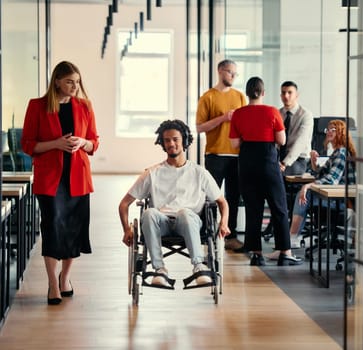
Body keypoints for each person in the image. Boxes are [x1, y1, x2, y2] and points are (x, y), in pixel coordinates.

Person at [21, 61, 99, 305]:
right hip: (50, 180)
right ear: (57, 81)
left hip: (78, 178)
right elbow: (27, 144)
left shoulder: (85, 106)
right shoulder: (37, 106)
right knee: (53, 229)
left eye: (77, 81)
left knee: (74, 231)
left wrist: (82, 143)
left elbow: (94, 142)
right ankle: (52, 284)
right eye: (69, 81)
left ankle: (65, 278)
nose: (75, 86)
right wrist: (56, 143)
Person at [118, 119, 230, 288]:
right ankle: (160, 270)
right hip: (161, 223)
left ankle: (199, 266)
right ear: (162, 144)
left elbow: (222, 202)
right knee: (149, 213)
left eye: (175, 139)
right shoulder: (152, 173)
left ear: (184, 141)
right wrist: (126, 229)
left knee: (184, 213)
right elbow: (124, 204)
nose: (171, 143)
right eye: (167, 140)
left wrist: (224, 223)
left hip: (189, 222)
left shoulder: (199, 173)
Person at [229, 77, 303, 267]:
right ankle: (285, 252)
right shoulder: (272, 112)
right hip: (268, 162)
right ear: (263, 93)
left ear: (247, 93)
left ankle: (256, 254)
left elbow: (235, 143)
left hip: (246, 163)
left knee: (254, 209)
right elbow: (282, 140)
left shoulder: (238, 114)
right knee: (279, 207)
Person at [267, 119, 356, 260]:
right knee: (303, 195)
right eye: (328, 129)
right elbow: (319, 174)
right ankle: (289, 242)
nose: (329, 132)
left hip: (342, 202)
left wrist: (307, 186)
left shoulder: (342, 153)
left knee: (304, 196)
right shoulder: (336, 153)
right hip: (335, 198)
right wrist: (314, 163)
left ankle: (289, 243)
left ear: (341, 133)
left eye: (333, 129)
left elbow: (331, 180)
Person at [196, 59, 246, 252]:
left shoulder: (240, 96)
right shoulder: (208, 97)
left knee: (233, 196)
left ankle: (230, 236)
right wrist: (223, 118)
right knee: (211, 196)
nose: (233, 76)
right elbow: (200, 127)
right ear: (220, 71)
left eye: (235, 73)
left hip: (236, 155)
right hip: (215, 154)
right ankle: (207, 233)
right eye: (229, 72)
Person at [263, 81, 314, 238]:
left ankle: (282, 224)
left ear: (296, 95)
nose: (286, 95)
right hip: (279, 159)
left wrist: (285, 163)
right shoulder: (277, 113)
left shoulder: (305, 115)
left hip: (297, 160)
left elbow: (301, 142)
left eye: (289, 92)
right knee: (267, 180)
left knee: (280, 182)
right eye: (283, 92)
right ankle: (276, 220)